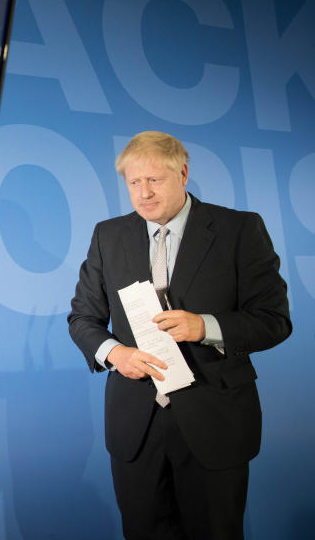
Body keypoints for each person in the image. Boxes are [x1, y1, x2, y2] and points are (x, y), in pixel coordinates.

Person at [68, 131, 291, 539]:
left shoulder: (239, 230)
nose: (144, 193)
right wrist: (115, 353)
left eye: (154, 180)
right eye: (134, 183)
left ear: (183, 174)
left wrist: (206, 326)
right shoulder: (108, 235)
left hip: (214, 421)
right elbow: (82, 318)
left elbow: (274, 319)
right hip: (136, 425)